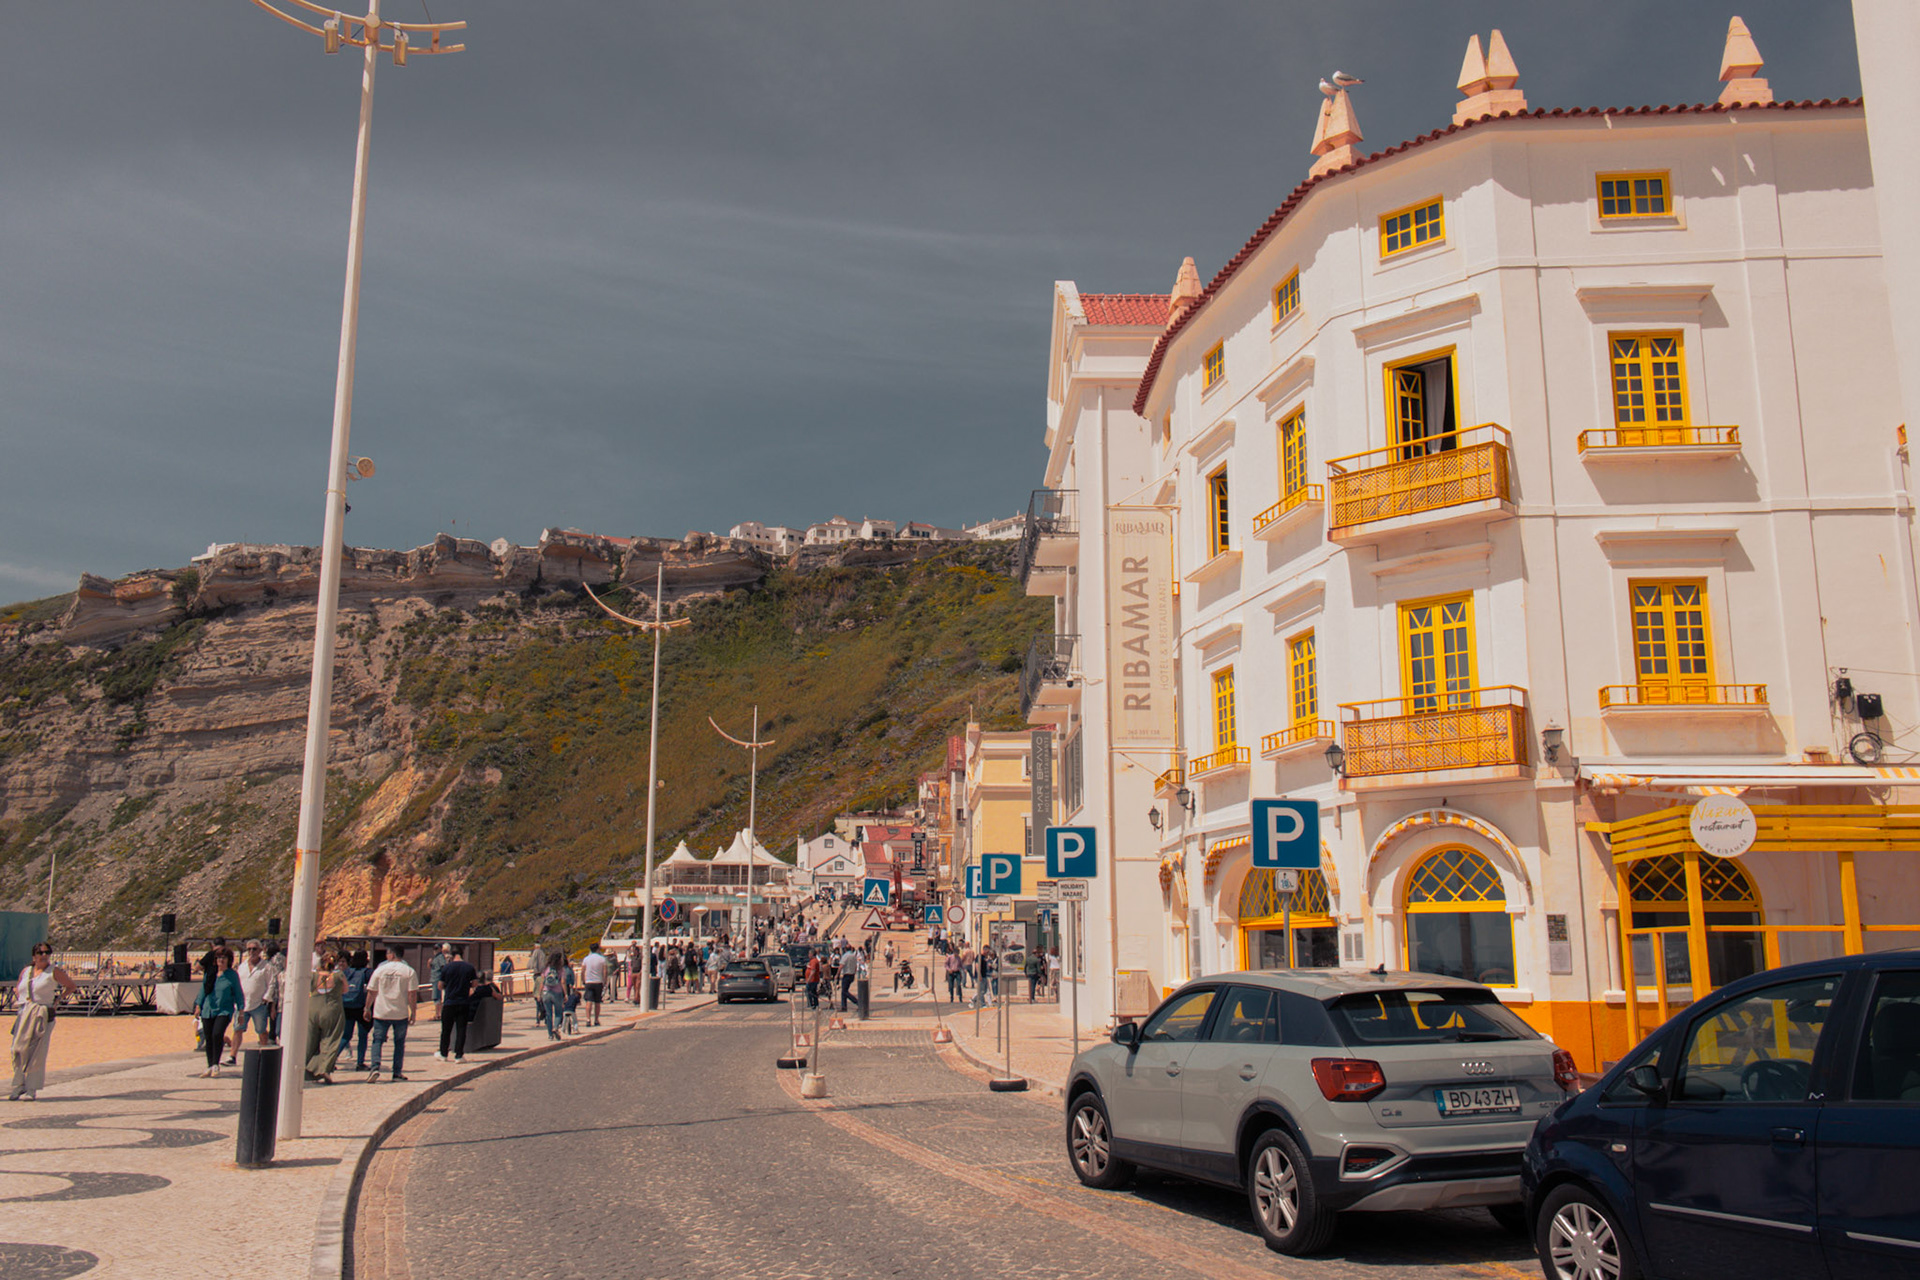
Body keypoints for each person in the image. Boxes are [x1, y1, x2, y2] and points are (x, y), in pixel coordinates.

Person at [11, 942, 80, 1100]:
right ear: (34, 955)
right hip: (24, 1012)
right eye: (40, 953)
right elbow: (18, 987)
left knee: (37, 1051)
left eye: (47, 952)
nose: (44, 955)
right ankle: (19, 1084)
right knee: (17, 1049)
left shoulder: (53, 971)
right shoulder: (26, 971)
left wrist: (58, 1000)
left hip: (41, 1013)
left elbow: (71, 986)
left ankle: (31, 1088)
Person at [365, 944, 418, 1083]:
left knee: (377, 1041)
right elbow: (412, 994)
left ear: (392, 954)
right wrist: (413, 1011)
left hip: (381, 1012)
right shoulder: (409, 971)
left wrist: (367, 1008)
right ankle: (397, 1072)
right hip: (400, 1012)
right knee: (399, 1043)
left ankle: (375, 1067)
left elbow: (372, 991)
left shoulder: (380, 970)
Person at [195, 947, 243, 1080]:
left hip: (224, 1010)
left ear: (228, 960)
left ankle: (216, 1064)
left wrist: (241, 1011)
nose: (221, 960)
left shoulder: (232, 975)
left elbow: (238, 993)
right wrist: (198, 1005)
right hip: (208, 1009)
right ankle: (210, 1065)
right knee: (209, 1037)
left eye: (223, 958)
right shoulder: (210, 973)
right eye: (218, 958)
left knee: (217, 1034)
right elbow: (203, 989)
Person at [305, 952, 347, 1084]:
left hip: (312, 1009)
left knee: (310, 1041)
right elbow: (345, 990)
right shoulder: (338, 975)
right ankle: (324, 1068)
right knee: (330, 1040)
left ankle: (306, 1068)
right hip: (331, 1009)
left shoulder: (313, 975)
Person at [231, 941, 275, 1064]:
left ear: (260, 950)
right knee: (238, 1029)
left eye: (254, 949)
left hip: (258, 1005)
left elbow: (271, 983)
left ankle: (264, 1054)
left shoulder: (266, 966)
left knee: (261, 1030)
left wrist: (266, 998)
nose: (251, 952)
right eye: (249, 949)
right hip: (242, 1005)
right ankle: (232, 1056)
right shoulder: (242, 966)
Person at [434, 945, 478, 1063]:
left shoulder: (447, 968)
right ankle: (459, 1055)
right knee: (461, 1029)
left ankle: (443, 1053)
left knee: (446, 1030)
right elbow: (474, 984)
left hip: (449, 1001)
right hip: (463, 1002)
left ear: (451, 955)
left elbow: (440, 985)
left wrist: (449, 986)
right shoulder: (469, 967)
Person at [341, 949, 372, 1072]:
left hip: (347, 1006)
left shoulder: (347, 972)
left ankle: (330, 1061)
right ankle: (360, 1062)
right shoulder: (368, 973)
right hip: (361, 1007)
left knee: (345, 1036)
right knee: (362, 1036)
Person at [538, 951, 572, 1040]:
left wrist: (539, 993)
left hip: (546, 992)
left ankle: (550, 1035)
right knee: (558, 1013)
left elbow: (542, 982)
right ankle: (555, 1027)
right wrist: (566, 994)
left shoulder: (546, 968)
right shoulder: (561, 969)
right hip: (557, 993)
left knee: (548, 1015)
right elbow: (563, 982)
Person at [581, 943, 607, 1028]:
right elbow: (605, 971)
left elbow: (582, 971)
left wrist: (583, 980)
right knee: (597, 1002)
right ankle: (596, 1019)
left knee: (589, 1001)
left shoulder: (586, 959)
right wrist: (604, 981)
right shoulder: (602, 959)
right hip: (598, 982)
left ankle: (588, 1019)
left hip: (589, 982)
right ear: (597, 949)